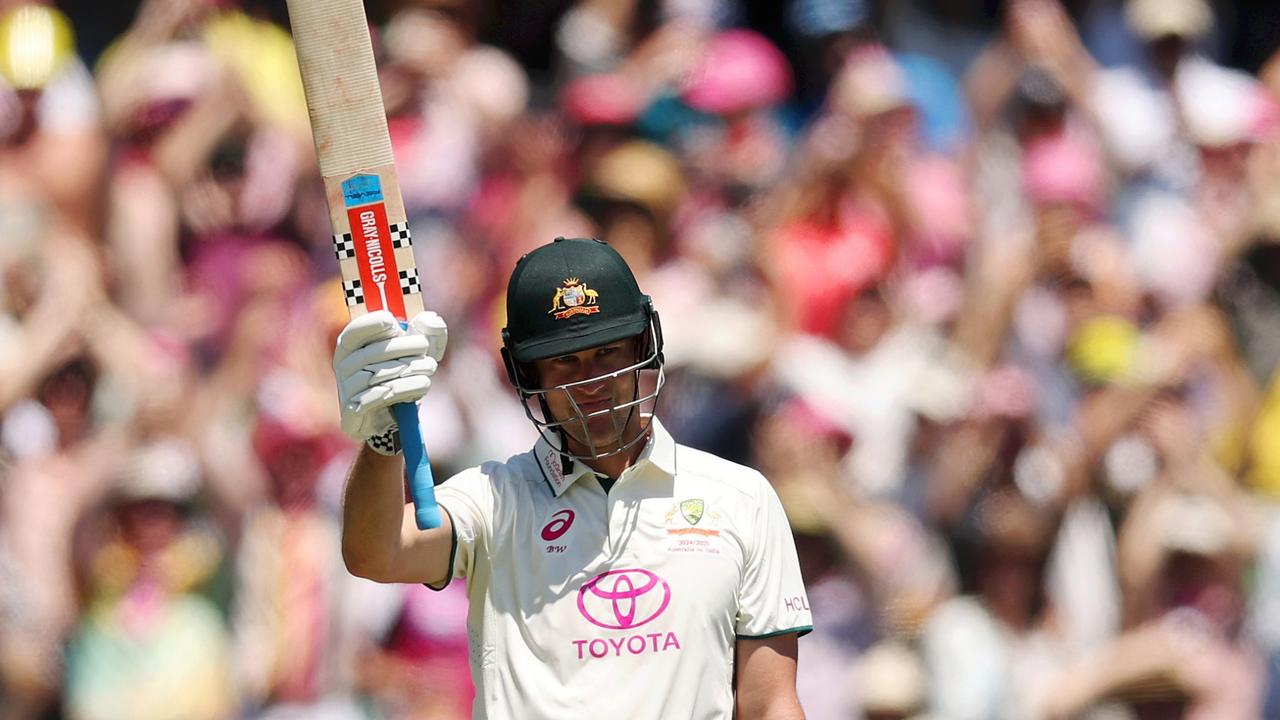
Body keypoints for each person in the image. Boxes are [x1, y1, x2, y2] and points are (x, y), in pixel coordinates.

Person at [333, 236, 812, 719]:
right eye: (565, 361)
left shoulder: (740, 498)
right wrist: (383, 435)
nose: (591, 382)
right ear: (528, 374)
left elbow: (770, 703)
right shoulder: (496, 499)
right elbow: (376, 553)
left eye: (606, 352)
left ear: (642, 346)